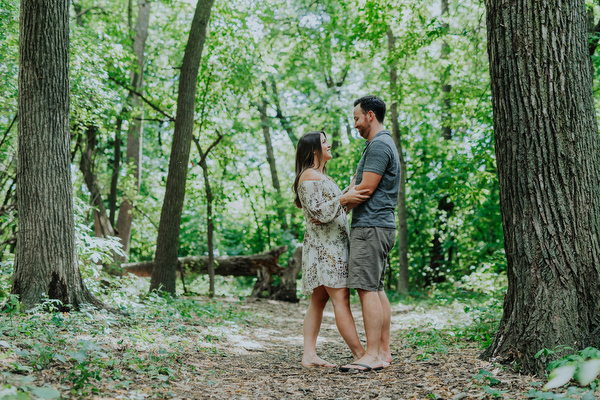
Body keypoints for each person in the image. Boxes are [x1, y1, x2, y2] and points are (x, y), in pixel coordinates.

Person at [293, 130, 370, 368]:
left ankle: (309, 355)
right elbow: (319, 213)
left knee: (318, 301)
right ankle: (359, 355)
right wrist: (344, 199)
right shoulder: (308, 176)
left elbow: (331, 211)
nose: (329, 145)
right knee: (341, 299)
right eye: (324, 142)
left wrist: (347, 192)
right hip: (325, 249)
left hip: (330, 245)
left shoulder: (319, 176)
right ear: (314, 150)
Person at [339, 95, 400, 372]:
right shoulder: (379, 144)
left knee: (366, 290)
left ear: (370, 115)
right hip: (379, 225)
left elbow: (364, 190)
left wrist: (339, 204)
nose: (355, 124)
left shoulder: (378, 144)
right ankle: (383, 352)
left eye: (356, 118)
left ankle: (372, 355)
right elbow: (359, 186)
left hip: (371, 227)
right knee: (376, 288)